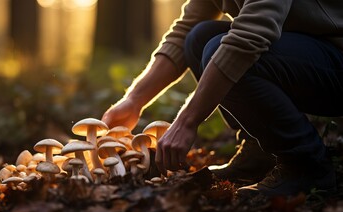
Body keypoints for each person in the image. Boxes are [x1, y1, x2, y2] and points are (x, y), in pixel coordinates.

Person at [101, 0, 343, 196]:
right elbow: (185, 30)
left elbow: (250, 35)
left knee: (221, 48)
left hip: (336, 58)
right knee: (198, 37)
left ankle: (307, 165)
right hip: (306, 54)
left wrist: (187, 121)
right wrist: (134, 100)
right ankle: (259, 152)